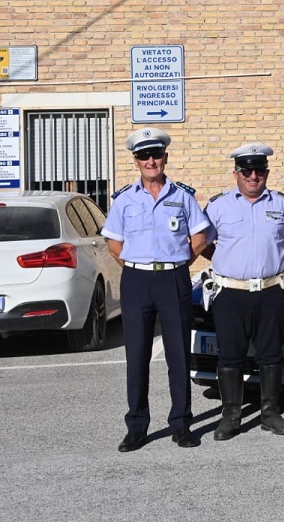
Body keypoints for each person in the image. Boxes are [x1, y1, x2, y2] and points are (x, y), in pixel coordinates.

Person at [101, 127, 210, 452]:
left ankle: (181, 424)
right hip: (136, 281)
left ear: (165, 157)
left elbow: (200, 239)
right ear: (136, 160)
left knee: (178, 354)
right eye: (144, 156)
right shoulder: (125, 200)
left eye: (156, 155)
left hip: (172, 279)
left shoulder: (182, 197)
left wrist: (176, 264)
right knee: (136, 356)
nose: (151, 160)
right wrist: (140, 266)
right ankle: (137, 427)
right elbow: (114, 244)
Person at [203, 143, 284, 440]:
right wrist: (224, 261)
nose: (253, 176)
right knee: (230, 356)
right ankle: (230, 416)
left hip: (271, 290)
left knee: (271, 354)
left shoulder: (281, 204)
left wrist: (276, 256)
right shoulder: (218, 206)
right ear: (236, 173)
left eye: (259, 171)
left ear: (267, 173)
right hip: (231, 292)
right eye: (246, 171)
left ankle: (270, 413)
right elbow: (203, 242)